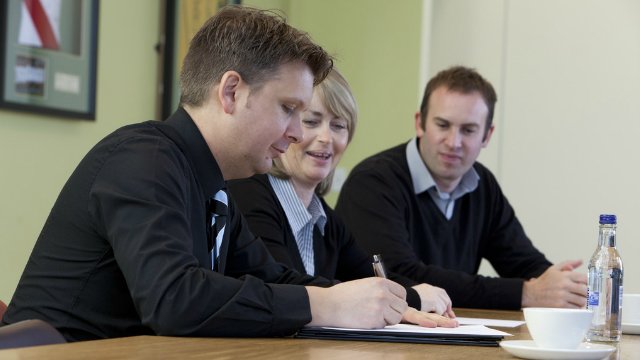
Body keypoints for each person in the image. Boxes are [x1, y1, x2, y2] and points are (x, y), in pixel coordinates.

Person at [1, 6, 416, 341]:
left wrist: (389, 302)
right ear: (231, 92)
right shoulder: (144, 160)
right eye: (288, 109)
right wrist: (323, 305)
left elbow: (273, 278)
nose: (295, 133)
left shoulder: (212, 183)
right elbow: (174, 299)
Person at [334, 66, 588, 310]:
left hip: (448, 333)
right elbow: (399, 275)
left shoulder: (482, 185)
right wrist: (526, 293)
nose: (453, 142)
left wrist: (562, 286)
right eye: (442, 125)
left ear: (487, 135)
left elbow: (522, 262)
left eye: (468, 130)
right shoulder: (373, 182)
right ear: (420, 123)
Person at [228, 69, 457, 323]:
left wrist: (421, 294)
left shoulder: (327, 219)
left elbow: (370, 279)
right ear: (286, 128)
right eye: (311, 122)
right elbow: (281, 284)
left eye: (338, 126)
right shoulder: (249, 194)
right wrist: (412, 297)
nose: (326, 138)